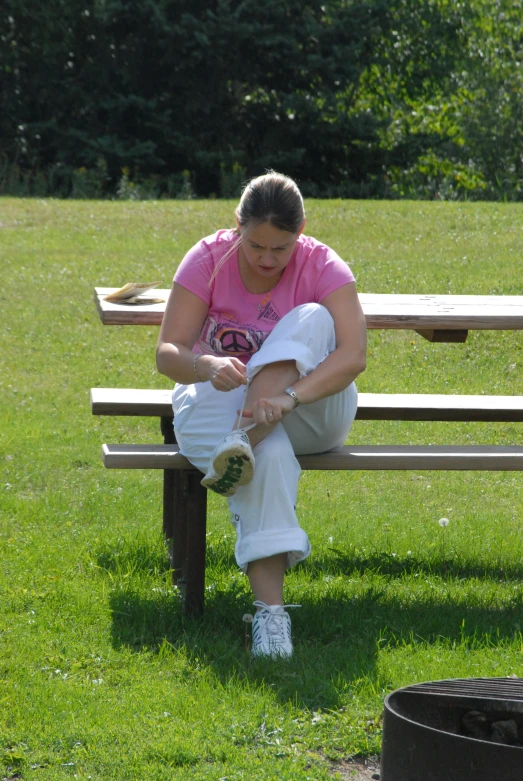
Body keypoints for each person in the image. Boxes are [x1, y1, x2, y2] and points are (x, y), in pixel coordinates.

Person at [156, 171, 367, 659]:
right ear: (236, 226)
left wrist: (290, 397)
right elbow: (167, 353)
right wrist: (204, 364)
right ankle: (271, 618)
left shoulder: (323, 264)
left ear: (302, 231)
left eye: (281, 248)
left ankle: (244, 435)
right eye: (255, 247)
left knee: (314, 318)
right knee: (265, 454)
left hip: (312, 412)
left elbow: (353, 355)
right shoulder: (206, 258)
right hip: (216, 403)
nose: (268, 260)